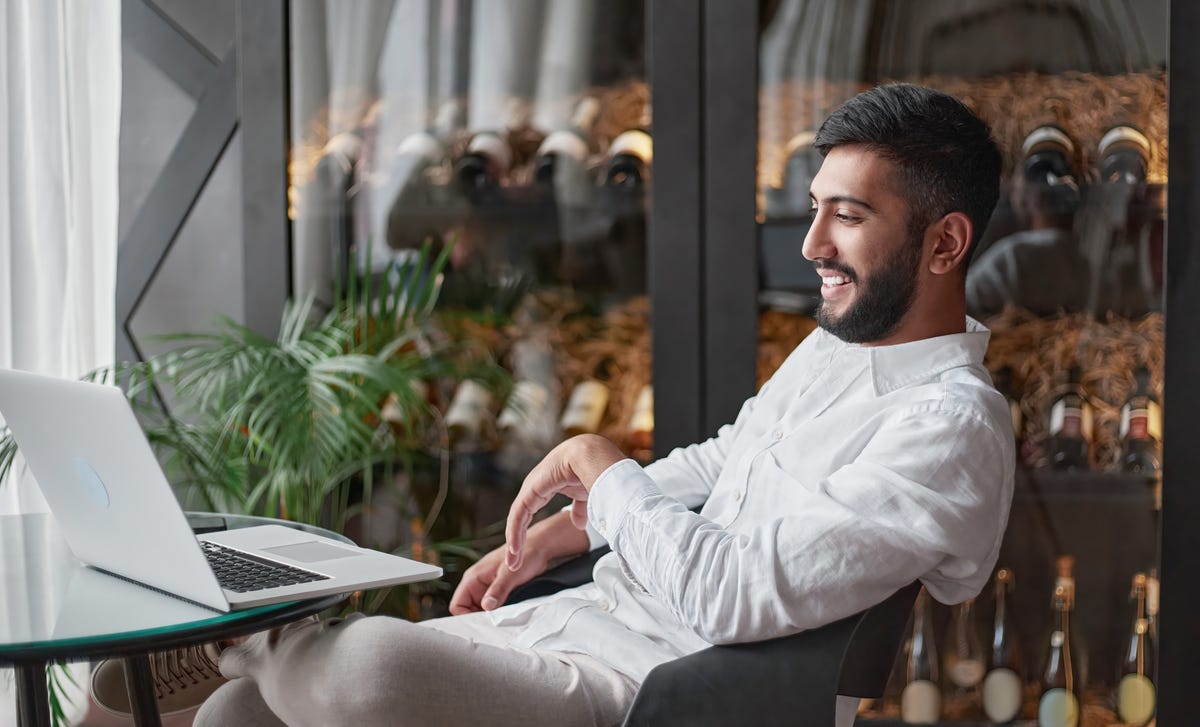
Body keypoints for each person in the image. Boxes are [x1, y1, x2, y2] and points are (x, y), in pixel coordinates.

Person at [195, 83, 1014, 727]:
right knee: (238, 715)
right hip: (590, 613)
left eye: (850, 215)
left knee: (363, 667)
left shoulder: (950, 426)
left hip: (652, 688)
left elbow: (731, 596)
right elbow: (724, 456)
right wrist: (577, 526)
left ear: (944, 243)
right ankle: (255, 649)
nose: (811, 246)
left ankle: (242, 637)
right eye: (815, 209)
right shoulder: (841, 345)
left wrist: (601, 465)